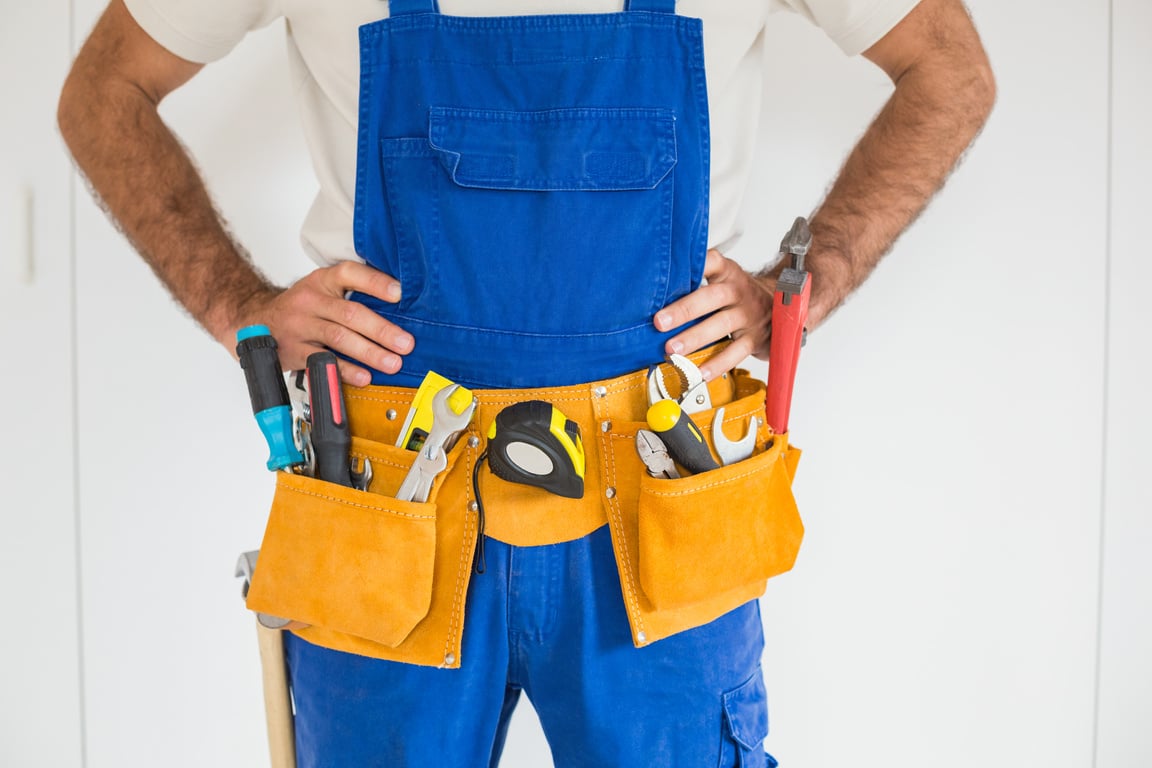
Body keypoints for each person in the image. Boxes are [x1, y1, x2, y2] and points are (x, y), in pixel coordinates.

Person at [58, 0, 994, 765]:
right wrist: (240, 307)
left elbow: (950, 70)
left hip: (661, 497)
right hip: (385, 499)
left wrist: (803, 279)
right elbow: (103, 92)